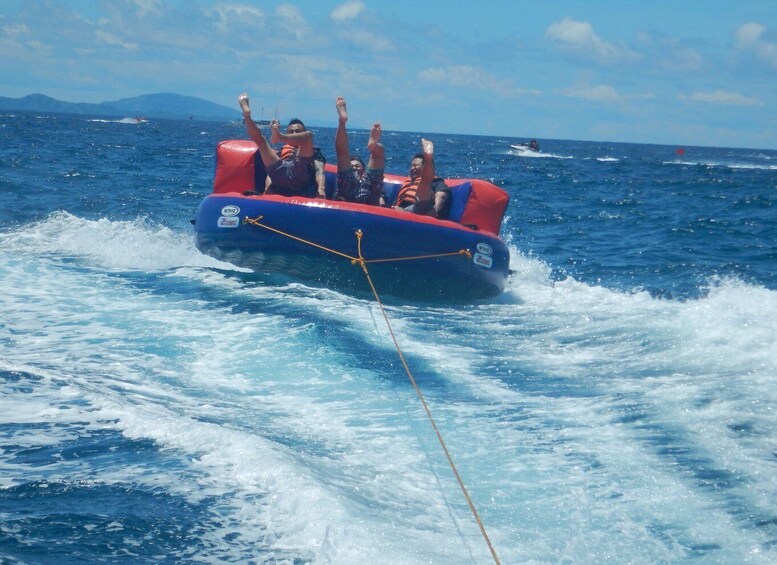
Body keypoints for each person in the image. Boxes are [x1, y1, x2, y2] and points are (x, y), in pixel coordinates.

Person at [237, 93, 323, 197]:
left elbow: (319, 171)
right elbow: (270, 174)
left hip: (300, 171)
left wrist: (321, 189)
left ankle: (278, 136)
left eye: (298, 131)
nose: (294, 133)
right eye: (291, 132)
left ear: (302, 133)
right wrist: (267, 189)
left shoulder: (314, 152)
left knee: (308, 136)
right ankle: (247, 116)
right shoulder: (281, 151)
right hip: (280, 172)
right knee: (261, 142)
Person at [333, 97, 384, 205]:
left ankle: (373, 145)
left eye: (357, 166)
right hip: (348, 190)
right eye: (352, 166)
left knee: (378, 155)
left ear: (364, 169)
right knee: (342, 154)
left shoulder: (367, 177)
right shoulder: (349, 175)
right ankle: (342, 121)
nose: (354, 167)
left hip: (369, 190)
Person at [393, 139, 452, 219]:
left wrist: (435, 209)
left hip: (420, 210)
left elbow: (441, 196)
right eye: (411, 166)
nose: (412, 168)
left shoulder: (436, 182)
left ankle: (428, 159)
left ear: (425, 167)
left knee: (424, 188)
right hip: (400, 210)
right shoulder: (408, 183)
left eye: (415, 165)